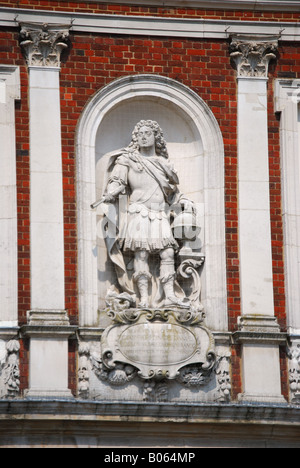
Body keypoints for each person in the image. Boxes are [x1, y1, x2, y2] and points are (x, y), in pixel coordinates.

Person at [100, 120, 194, 308]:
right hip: (139, 212)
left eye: (147, 133)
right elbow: (117, 180)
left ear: (155, 137)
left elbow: (171, 191)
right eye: (140, 134)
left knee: (167, 252)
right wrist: (112, 192)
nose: (143, 136)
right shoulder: (127, 159)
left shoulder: (163, 164)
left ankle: (170, 296)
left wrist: (183, 201)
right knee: (141, 254)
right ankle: (142, 298)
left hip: (160, 213)